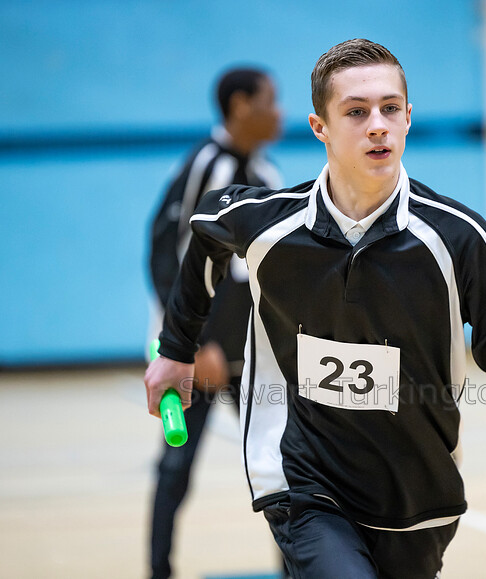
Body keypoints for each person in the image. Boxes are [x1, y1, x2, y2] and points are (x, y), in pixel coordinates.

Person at [145, 39, 486, 578]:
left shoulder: (458, 238)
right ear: (319, 126)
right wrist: (177, 348)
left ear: (408, 117)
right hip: (306, 486)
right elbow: (204, 234)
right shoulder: (272, 225)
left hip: (419, 500)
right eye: (356, 111)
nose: (377, 125)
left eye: (389, 108)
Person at [146, 66, 282, 579]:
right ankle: (158, 571)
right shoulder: (205, 166)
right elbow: (166, 254)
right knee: (176, 464)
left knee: (281, 464)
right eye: (272, 100)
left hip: (250, 356)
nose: (280, 111)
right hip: (198, 357)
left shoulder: (267, 177)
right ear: (242, 106)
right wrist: (189, 346)